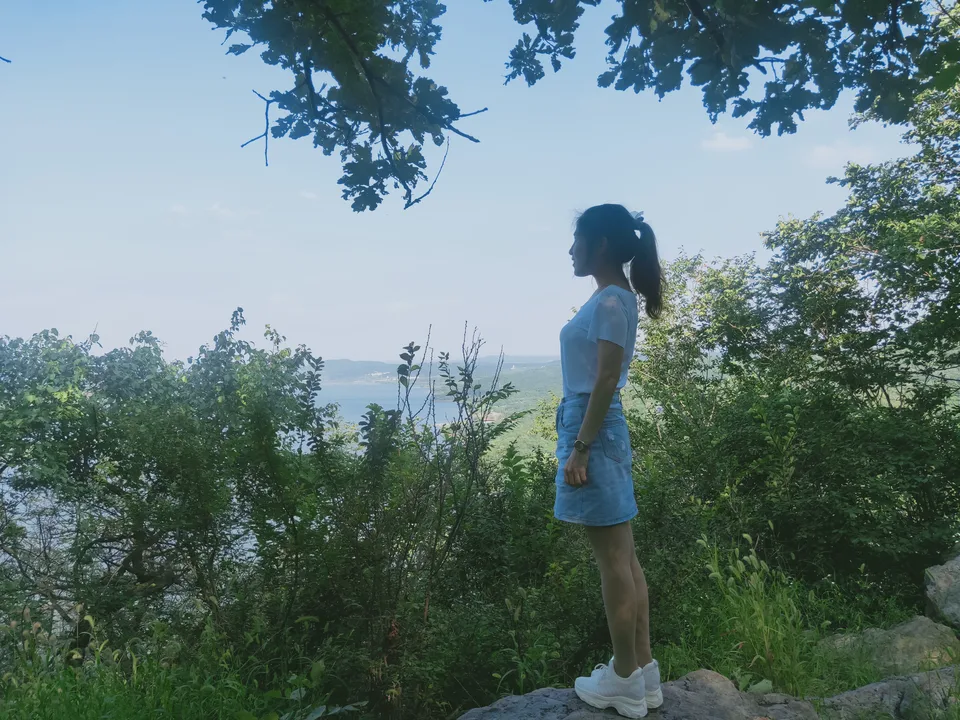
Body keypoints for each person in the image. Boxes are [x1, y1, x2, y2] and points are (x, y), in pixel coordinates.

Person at [555, 204, 664, 719]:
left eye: (576, 240)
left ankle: (622, 678)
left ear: (599, 244)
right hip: (596, 424)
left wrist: (581, 446)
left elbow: (604, 378)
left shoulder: (611, 302)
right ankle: (642, 672)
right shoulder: (615, 298)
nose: (570, 251)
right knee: (626, 558)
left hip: (591, 427)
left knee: (614, 563)